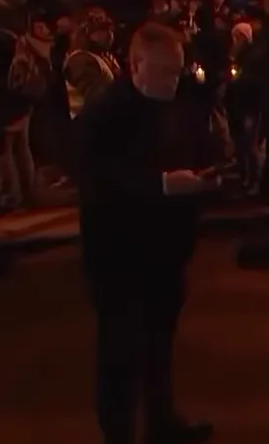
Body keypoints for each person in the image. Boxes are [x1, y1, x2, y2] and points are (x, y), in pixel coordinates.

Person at [75, 22, 218, 444]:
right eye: (164, 72)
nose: (174, 80)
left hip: (167, 251)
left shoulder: (178, 104)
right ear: (135, 65)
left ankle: (161, 421)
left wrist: (207, 176)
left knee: (159, 345)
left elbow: (199, 148)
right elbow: (97, 181)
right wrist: (160, 184)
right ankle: (118, 434)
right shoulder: (105, 113)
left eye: (178, 71)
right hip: (117, 256)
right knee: (118, 353)